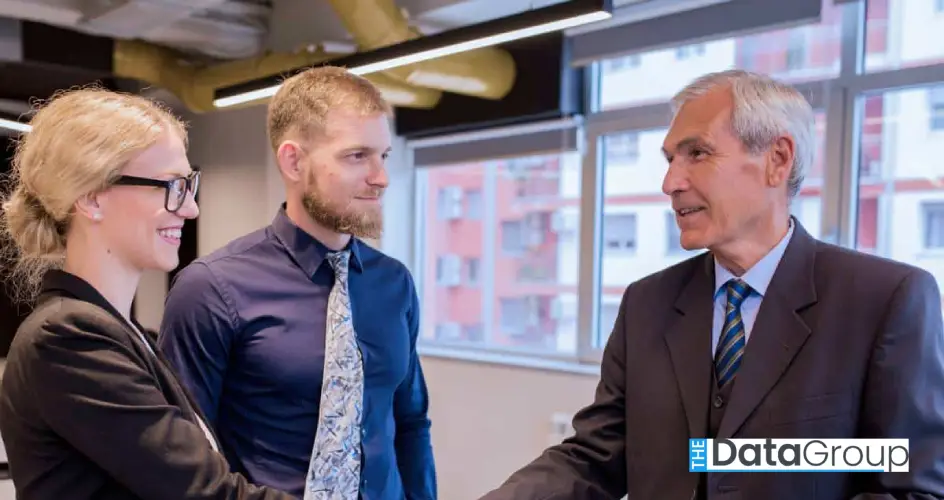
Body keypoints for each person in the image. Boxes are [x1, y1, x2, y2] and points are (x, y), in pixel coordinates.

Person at [480, 69, 944, 500]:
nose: (669, 182)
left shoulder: (886, 300)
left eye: (697, 153)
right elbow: (594, 455)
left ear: (776, 161)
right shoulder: (647, 303)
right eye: (669, 160)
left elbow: (910, 490)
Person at [0, 88, 294, 500]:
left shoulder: (123, 333)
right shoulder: (68, 338)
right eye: (172, 186)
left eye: (190, 185)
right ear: (91, 197)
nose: (190, 209)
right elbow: (209, 493)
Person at [158, 66, 436, 499]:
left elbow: (411, 423)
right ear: (293, 160)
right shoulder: (211, 289)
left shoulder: (394, 284)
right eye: (357, 156)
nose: (380, 177)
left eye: (384, 156)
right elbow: (184, 456)